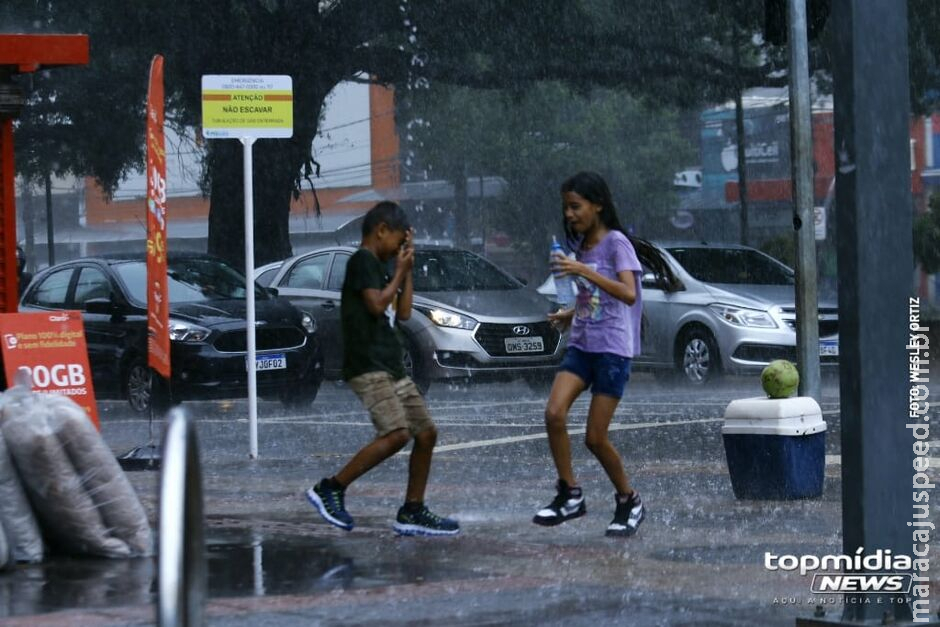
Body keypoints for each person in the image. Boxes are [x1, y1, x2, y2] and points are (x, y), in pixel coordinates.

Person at [306, 201, 459, 537]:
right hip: (369, 364)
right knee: (396, 434)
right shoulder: (362, 261)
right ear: (381, 231)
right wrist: (400, 272)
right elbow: (376, 305)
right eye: (398, 241)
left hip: (392, 364)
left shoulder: (383, 267)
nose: (398, 249)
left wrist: (408, 268)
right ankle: (331, 487)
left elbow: (402, 313)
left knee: (426, 432)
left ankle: (413, 510)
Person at [533, 171, 645, 537]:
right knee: (553, 413)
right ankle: (570, 494)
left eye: (576, 206)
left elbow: (627, 293)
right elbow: (591, 297)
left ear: (598, 205)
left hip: (612, 350)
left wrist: (581, 269)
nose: (569, 214)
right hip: (582, 344)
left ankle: (629, 499)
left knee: (595, 439)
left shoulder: (616, 244)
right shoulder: (581, 247)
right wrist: (568, 315)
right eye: (566, 207)